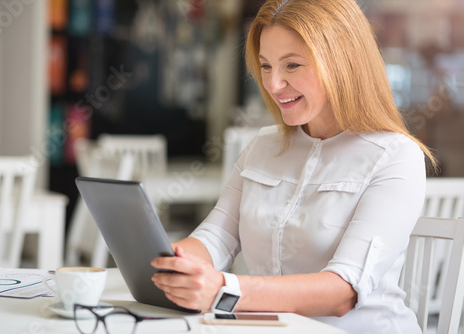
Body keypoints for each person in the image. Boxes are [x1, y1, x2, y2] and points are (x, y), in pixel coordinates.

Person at [150, 0, 437, 333]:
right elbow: (216, 238)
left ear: (341, 63)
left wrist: (223, 290)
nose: (272, 85)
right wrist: (169, 260)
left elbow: (341, 291)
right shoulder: (261, 146)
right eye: (266, 66)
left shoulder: (394, 156)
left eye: (292, 65)